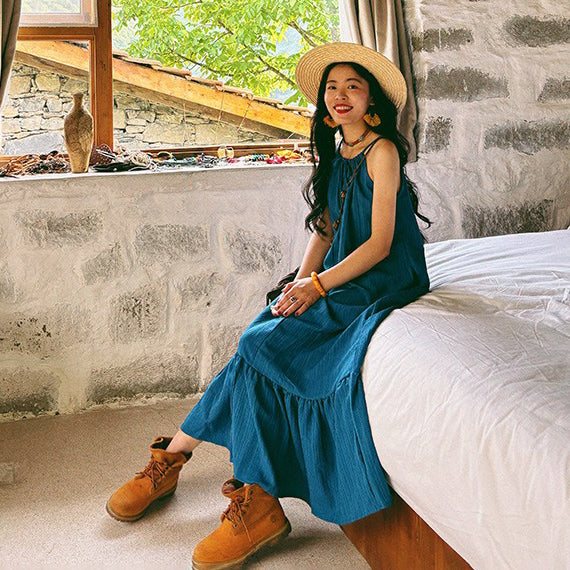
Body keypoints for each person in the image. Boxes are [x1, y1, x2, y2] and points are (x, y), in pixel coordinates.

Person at [106, 42, 433, 570]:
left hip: (383, 277)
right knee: (258, 340)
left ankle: (209, 477)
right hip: (339, 272)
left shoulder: (382, 151)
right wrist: (299, 282)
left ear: (371, 98)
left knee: (260, 345)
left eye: (353, 86)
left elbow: (378, 245)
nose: (341, 95)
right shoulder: (339, 148)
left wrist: (318, 287)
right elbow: (326, 226)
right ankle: (191, 468)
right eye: (332, 87)